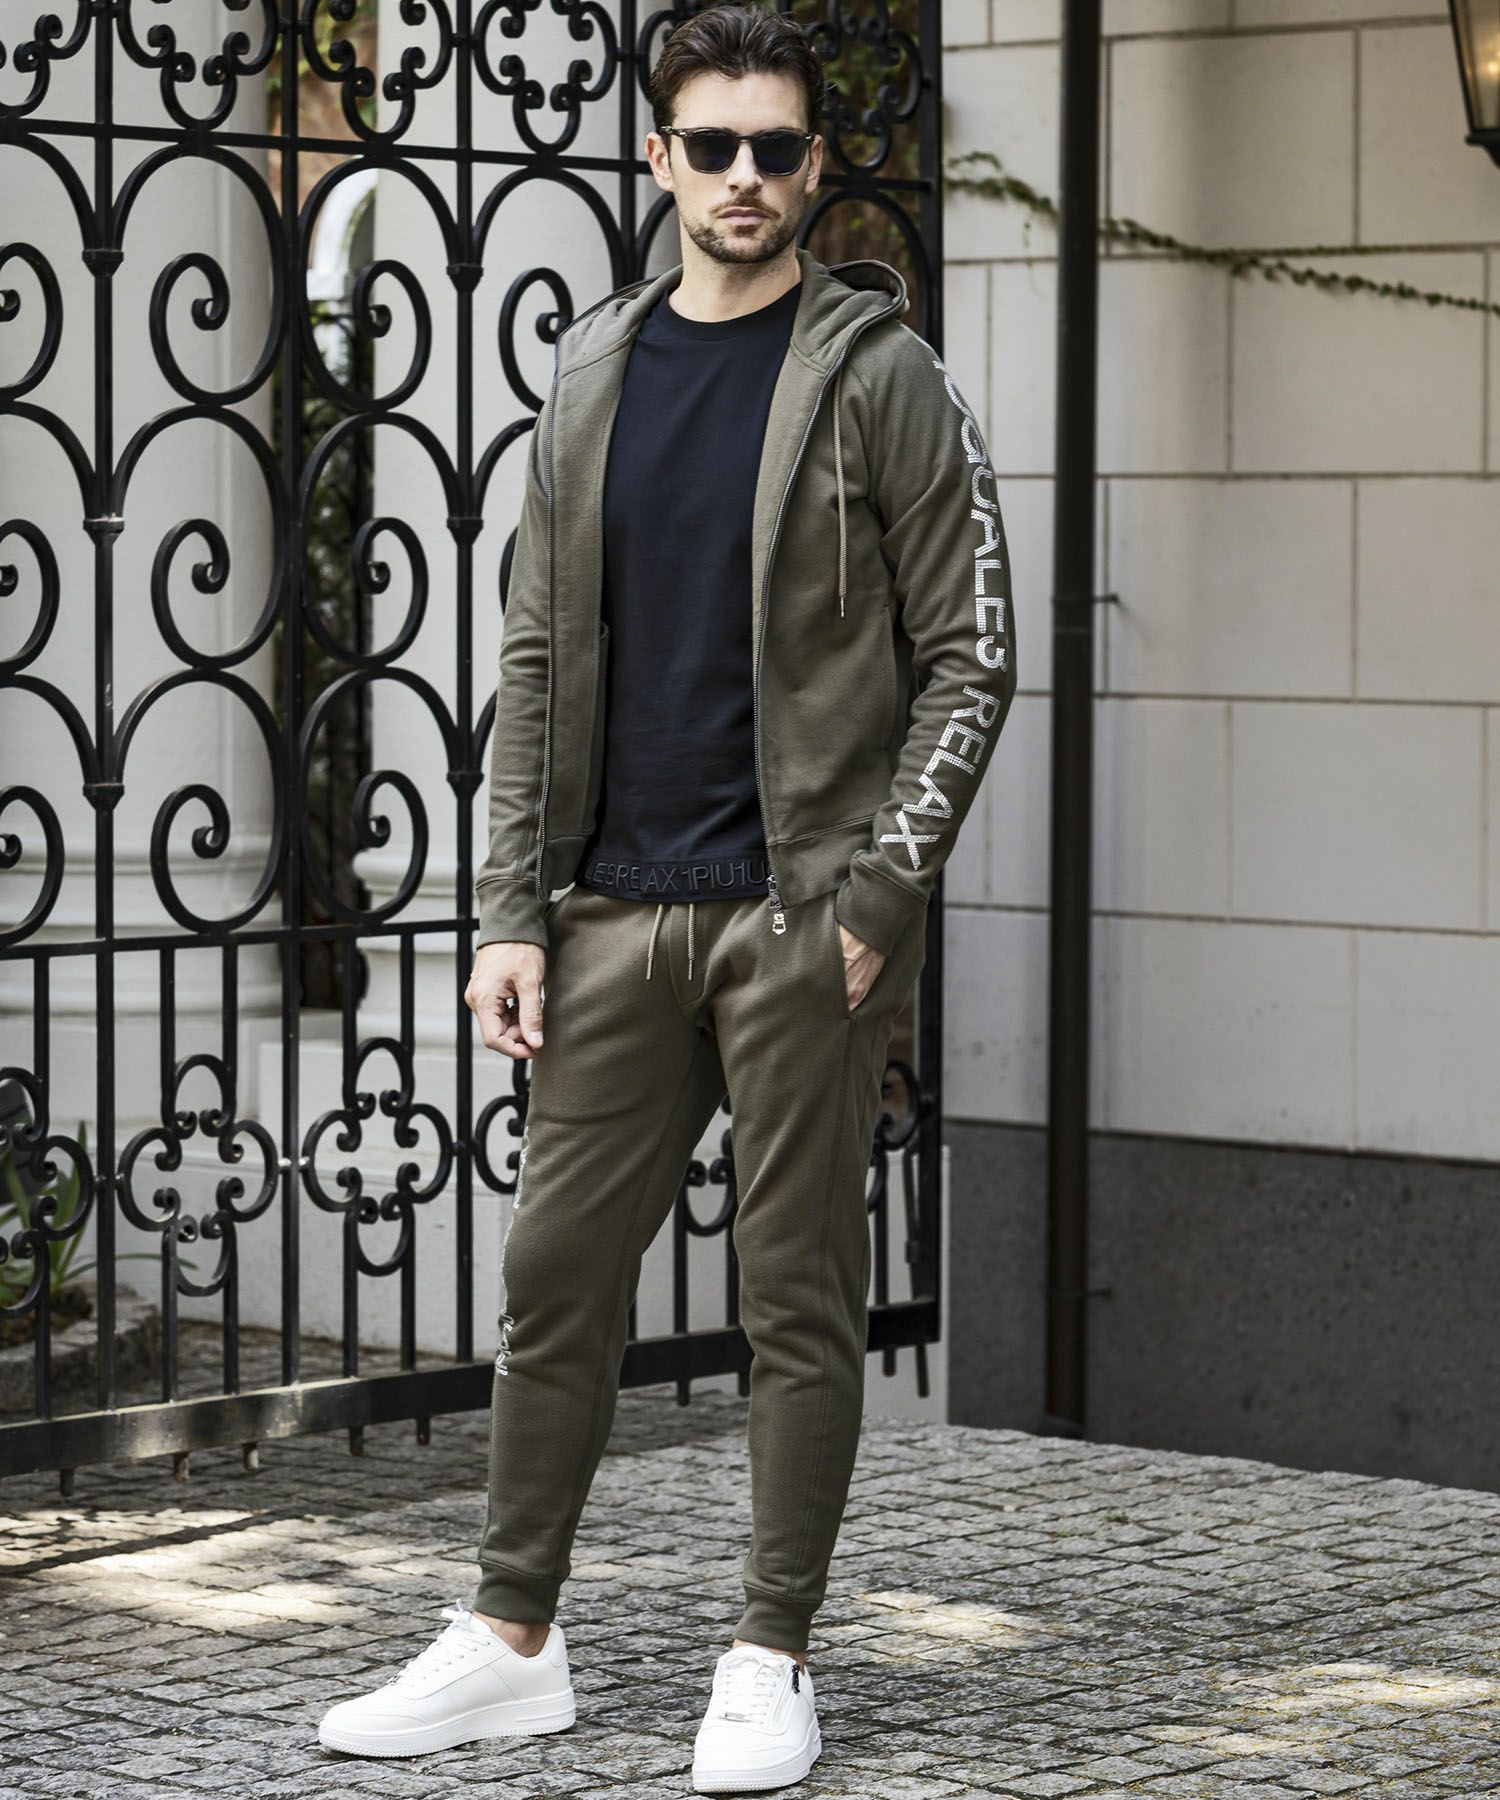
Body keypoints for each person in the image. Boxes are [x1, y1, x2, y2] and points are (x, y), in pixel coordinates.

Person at [317, 1, 1016, 1788]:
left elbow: (975, 652)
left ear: (815, 165)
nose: (745, 178)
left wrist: (879, 896)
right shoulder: (591, 371)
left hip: (800, 920)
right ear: (659, 157)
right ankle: (509, 1640)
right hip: (616, 910)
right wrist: (507, 909)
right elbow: (536, 653)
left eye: (777, 148)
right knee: (553, 1272)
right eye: (713, 146)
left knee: (797, 1297)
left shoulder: (882, 374)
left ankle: (771, 1654)